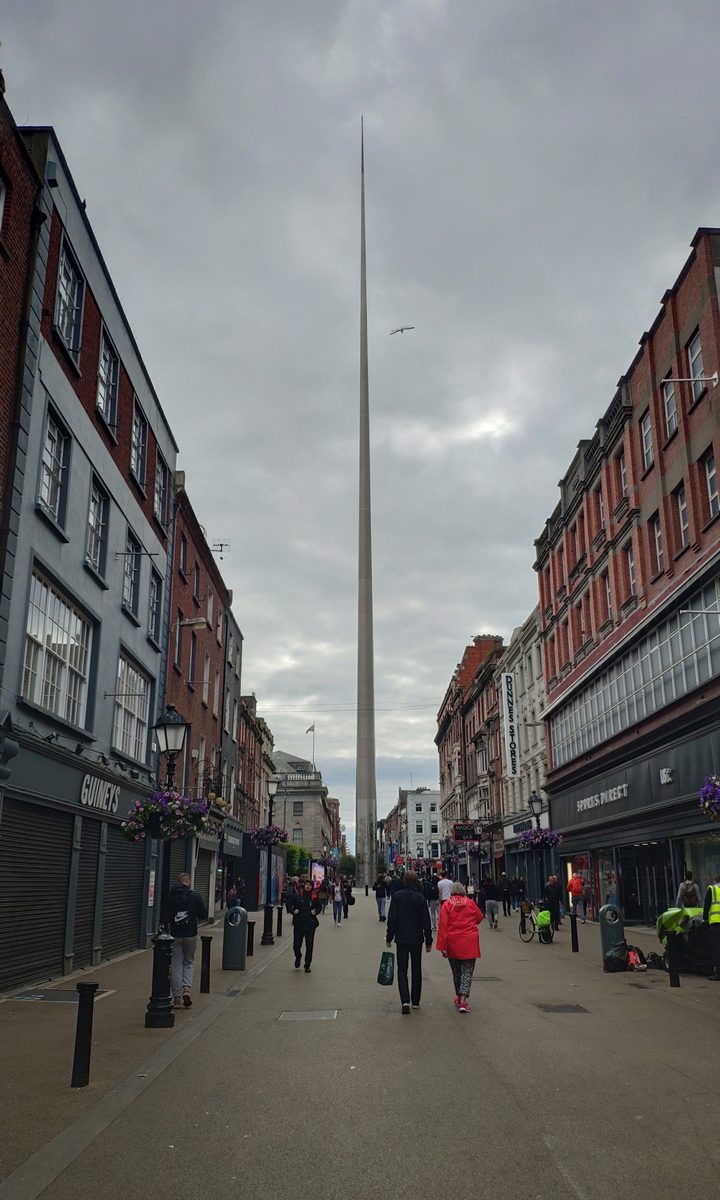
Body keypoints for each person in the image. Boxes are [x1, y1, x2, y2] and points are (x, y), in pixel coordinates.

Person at [386, 871, 432, 1013]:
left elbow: (392, 918)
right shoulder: (420, 898)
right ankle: (416, 1001)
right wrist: (428, 939)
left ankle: (405, 1000)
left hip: (402, 937)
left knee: (402, 968)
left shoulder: (397, 897)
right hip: (417, 938)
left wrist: (389, 937)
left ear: (404, 881)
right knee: (416, 968)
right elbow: (426, 920)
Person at [436, 881, 484, 1013]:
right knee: (467, 972)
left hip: (453, 942)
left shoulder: (447, 905)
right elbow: (480, 918)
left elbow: (443, 926)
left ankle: (458, 996)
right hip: (469, 941)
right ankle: (463, 1000)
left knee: (456, 972)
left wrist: (442, 946)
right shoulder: (470, 903)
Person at [169, 871, 208, 1010]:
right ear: (189, 882)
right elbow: (204, 914)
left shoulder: (171, 897)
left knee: (176, 964)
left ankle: (177, 999)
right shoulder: (195, 896)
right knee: (189, 962)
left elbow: (165, 915)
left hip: (175, 935)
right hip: (191, 934)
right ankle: (186, 988)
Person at [288, 879, 323, 972]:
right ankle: (298, 956)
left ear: (312, 887)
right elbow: (288, 904)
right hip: (299, 924)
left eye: (310, 885)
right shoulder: (297, 896)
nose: (308, 886)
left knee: (309, 945)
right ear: (304, 886)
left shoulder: (314, 897)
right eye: (306, 885)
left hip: (310, 924)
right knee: (296, 945)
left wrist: (315, 911)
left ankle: (307, 965)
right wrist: (293, 911)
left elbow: (320, 906)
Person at [703, 874, 720, 981]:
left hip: (715, 923)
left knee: (717, 949)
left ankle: (718, 973)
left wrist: (705, 919)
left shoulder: (712, 889)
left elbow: (707, 904)